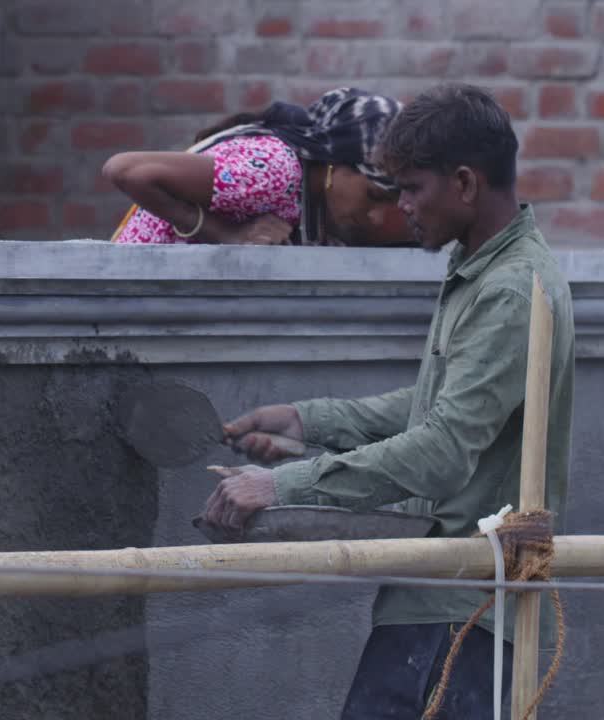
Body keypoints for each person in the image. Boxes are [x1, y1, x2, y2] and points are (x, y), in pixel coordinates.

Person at [201, 83, 576, 719]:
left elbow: (443, 449)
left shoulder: (511, 290)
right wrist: (311, 420)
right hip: (442, 602)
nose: (401, 207)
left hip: (463, 612)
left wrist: (282, 486)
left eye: (411, 189)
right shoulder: (481, 269)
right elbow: (440, 408)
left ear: (464, 183)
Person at [103, 87, 411, 247]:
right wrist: (226, 234)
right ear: (335, 162)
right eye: (373, 195)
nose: (377, 217)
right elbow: (125, 170)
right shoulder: (277, 171)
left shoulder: (311, 195)